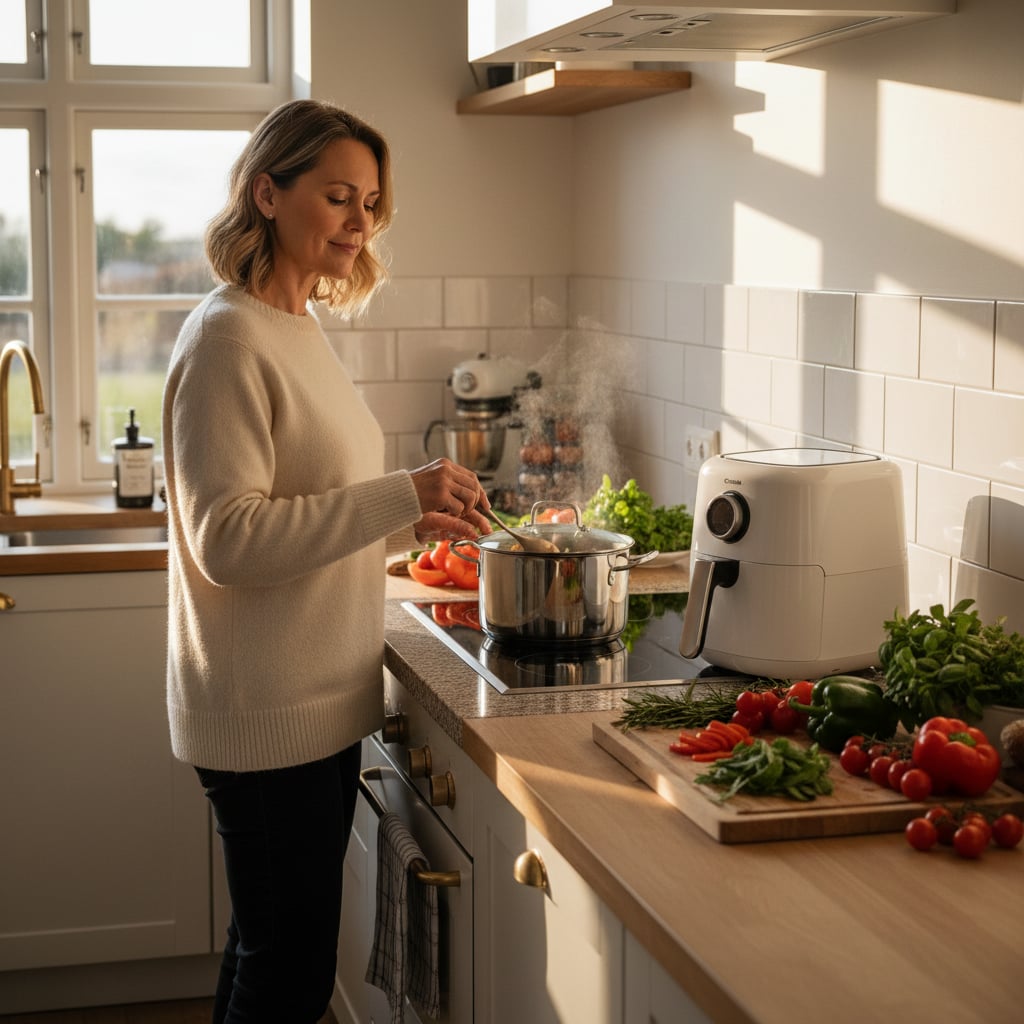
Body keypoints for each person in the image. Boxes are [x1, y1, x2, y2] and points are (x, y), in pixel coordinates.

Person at [161, 99, 491, 1023]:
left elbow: (312, 514)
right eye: (339, 196)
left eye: (371, 203)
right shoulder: (228, 338)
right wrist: (401, 494)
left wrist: (416, 522)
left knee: (265, 954)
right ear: (267, 194)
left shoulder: (295, 325)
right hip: (267, 712)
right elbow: (230, 540)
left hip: (312, 706)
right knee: (288, 977)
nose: (360, 222)